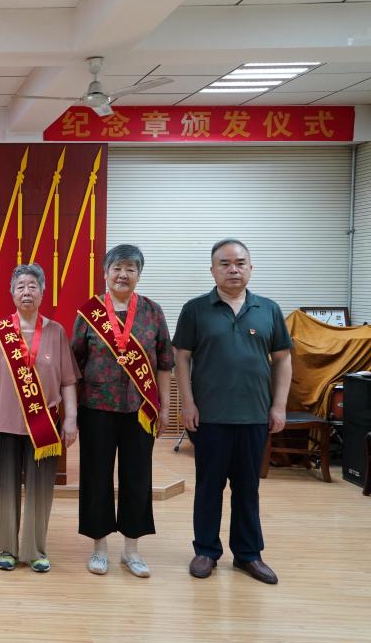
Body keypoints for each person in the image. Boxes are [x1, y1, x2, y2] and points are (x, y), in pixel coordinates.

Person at [174, 239, 291, 585]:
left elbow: (283, 360)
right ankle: (206, 551)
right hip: (209, 417)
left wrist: (279, 405)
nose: (233, 269)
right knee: (208, 487)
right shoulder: (195, 309)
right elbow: (182, 358)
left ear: (251, 268)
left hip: (254, 416)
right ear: (213, 270)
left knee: (247, 489)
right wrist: (187, 404)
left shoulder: (268, 309)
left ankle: (248, 554)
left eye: (240, 263)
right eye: (224, 264)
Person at [70, 245, 172, 578]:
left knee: (138, 478)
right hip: (96, 407)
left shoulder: (153, 312)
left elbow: (165, 362)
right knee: (96, 476)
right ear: (105, 273)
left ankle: (132, 551)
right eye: (116, 268)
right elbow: (74, 362)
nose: (123, 275)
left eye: (130, 268)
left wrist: (164, 406)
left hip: (140, 409)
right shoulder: (89, 312)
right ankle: (99, 548)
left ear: (139, 274)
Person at [0, 263, 78, 574]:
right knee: (4, 487)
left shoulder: (55, 332)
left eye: (33, 286)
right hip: (5, 425)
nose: (26, 291)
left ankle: (35, 549)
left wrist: (70, 419)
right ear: (11, 293)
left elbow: (68, 381)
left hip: (43, 427)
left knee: (40, 490)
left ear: (43, 292)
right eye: (20, 286)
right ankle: (7, 547)